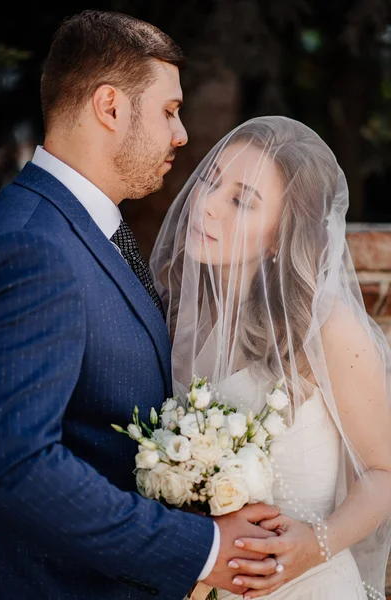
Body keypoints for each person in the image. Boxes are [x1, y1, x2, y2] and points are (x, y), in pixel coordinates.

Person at [0, 11, 281, 600]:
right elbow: (17, 463)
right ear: (111, 107)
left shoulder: (88, 229)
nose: (181, 135)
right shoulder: (34, 244)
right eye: (169, 111)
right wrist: (201, 550)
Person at [151, 115, 391, 599]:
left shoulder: (327, 331)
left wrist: (316, 544)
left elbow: (384, 474)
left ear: (282, 233)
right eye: (211, 181)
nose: (206, 206)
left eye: (241, 200)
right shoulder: (179, 322)